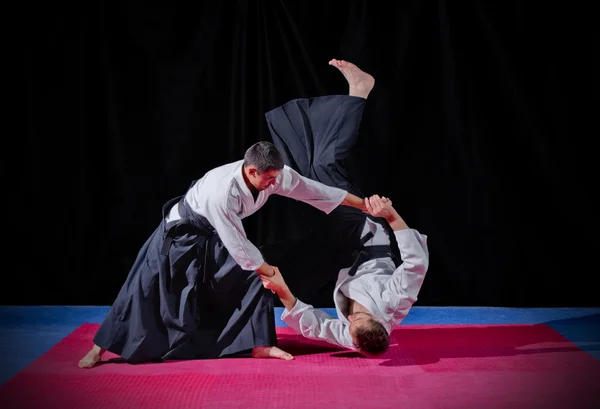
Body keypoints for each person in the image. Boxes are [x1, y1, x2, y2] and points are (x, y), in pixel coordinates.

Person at [79, 138, 371, 368]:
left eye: (276, 177)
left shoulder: (276, 175)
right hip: (181, 235)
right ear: (251, 170)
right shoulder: (222, 193)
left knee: (255, 281)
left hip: (214, 236)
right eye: (268, 178)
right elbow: (237, 243)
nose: (274, 183)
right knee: (144, 287)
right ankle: (99, 348)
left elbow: (314, 190)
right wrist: (270, 271)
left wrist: (363, 205)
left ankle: (260, 344)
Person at [260, 59, 429, 356]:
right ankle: (360, 90)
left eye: (349, 325)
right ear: (378, 322)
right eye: (358, 318)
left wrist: (281, 290)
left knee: (304, 170)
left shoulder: (355, 335)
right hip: (364, 237)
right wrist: (390, 215)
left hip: (338, 251)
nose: (349, 318)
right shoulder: (394, 303)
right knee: (324, 167)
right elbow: (416, 264)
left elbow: (313, 325)